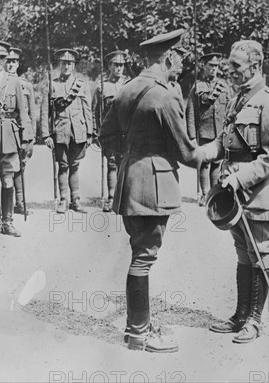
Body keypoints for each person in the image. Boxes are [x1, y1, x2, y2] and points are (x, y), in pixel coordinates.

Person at [99, 29, 206, 353]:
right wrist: (215, 149)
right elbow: (187, 154)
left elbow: (105, 136)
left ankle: (138, 330)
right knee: (144, 258)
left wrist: (130, 158)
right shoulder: (167, 94)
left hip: (130, 182)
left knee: (140, 253)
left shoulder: (127, 89)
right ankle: (139, 334)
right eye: (181, 58)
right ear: (169, 57)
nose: (183, 65)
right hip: (154, 187)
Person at [202, 40, 269, 344]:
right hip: (234, 193)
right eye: (230, 65)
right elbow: (225, 143)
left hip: (258, 192)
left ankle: (255, 320)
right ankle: (240, 315)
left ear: (255, 65)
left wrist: (238, 180)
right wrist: (200, 152)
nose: (230, 70)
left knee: (259, 253)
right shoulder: (238, 100)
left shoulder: (268, 102)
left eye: (236, 66)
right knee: (242, 253)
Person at [0, 41, 33, 238]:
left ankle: (8, 222)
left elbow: (23, 111)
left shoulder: (14, 82)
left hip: (11, 136)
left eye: (2, 58)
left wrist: (27, 138)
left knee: (8, 178)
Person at [40, 49, 92, 213]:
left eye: (70, 63)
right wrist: (46, 134)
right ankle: (63, 200)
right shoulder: (52, 84)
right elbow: (44, 112)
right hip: (60, 131)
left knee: (74, 166)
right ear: (59, 65)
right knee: (63, 166)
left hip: (78, 130)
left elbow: (87, 109)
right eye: (63, 63)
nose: (67, 66)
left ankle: (75, 200)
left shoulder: (81, 85)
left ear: (74, 65)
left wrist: (90, 133)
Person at [186, 52, 230, 206]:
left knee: (217, 163)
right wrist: (191, 134)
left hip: (220, 131)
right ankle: (205, 194)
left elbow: (231, 108)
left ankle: (213, 194)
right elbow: (190, 111)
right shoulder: (198, 86)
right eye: (211, 65)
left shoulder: (224, 86)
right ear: (203, 66)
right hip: (204, 130)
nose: (214, 69)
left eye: (216, 66)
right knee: (204, 162)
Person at [92, 50, 131, 212]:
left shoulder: (130, 85)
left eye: (121, 65)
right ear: (109, 66)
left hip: (128, 132)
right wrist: (96, 132)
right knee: (112, 163)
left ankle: (126, 197)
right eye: (116, 65)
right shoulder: (102, 87)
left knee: (127, 163)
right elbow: (95, 111)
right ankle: (111, 197)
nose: (119, 68)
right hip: (110, 132)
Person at [6, 47, 37, 216]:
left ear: (18, 63)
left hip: (22, 130)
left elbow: (32, 113)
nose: (10, 64)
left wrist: (31, 136)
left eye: (14, 61)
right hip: (5, 129)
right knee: (5, 167)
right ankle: (6, 205)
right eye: (8, 61)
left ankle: (20, 202)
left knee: (20, 167)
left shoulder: (26, 85)